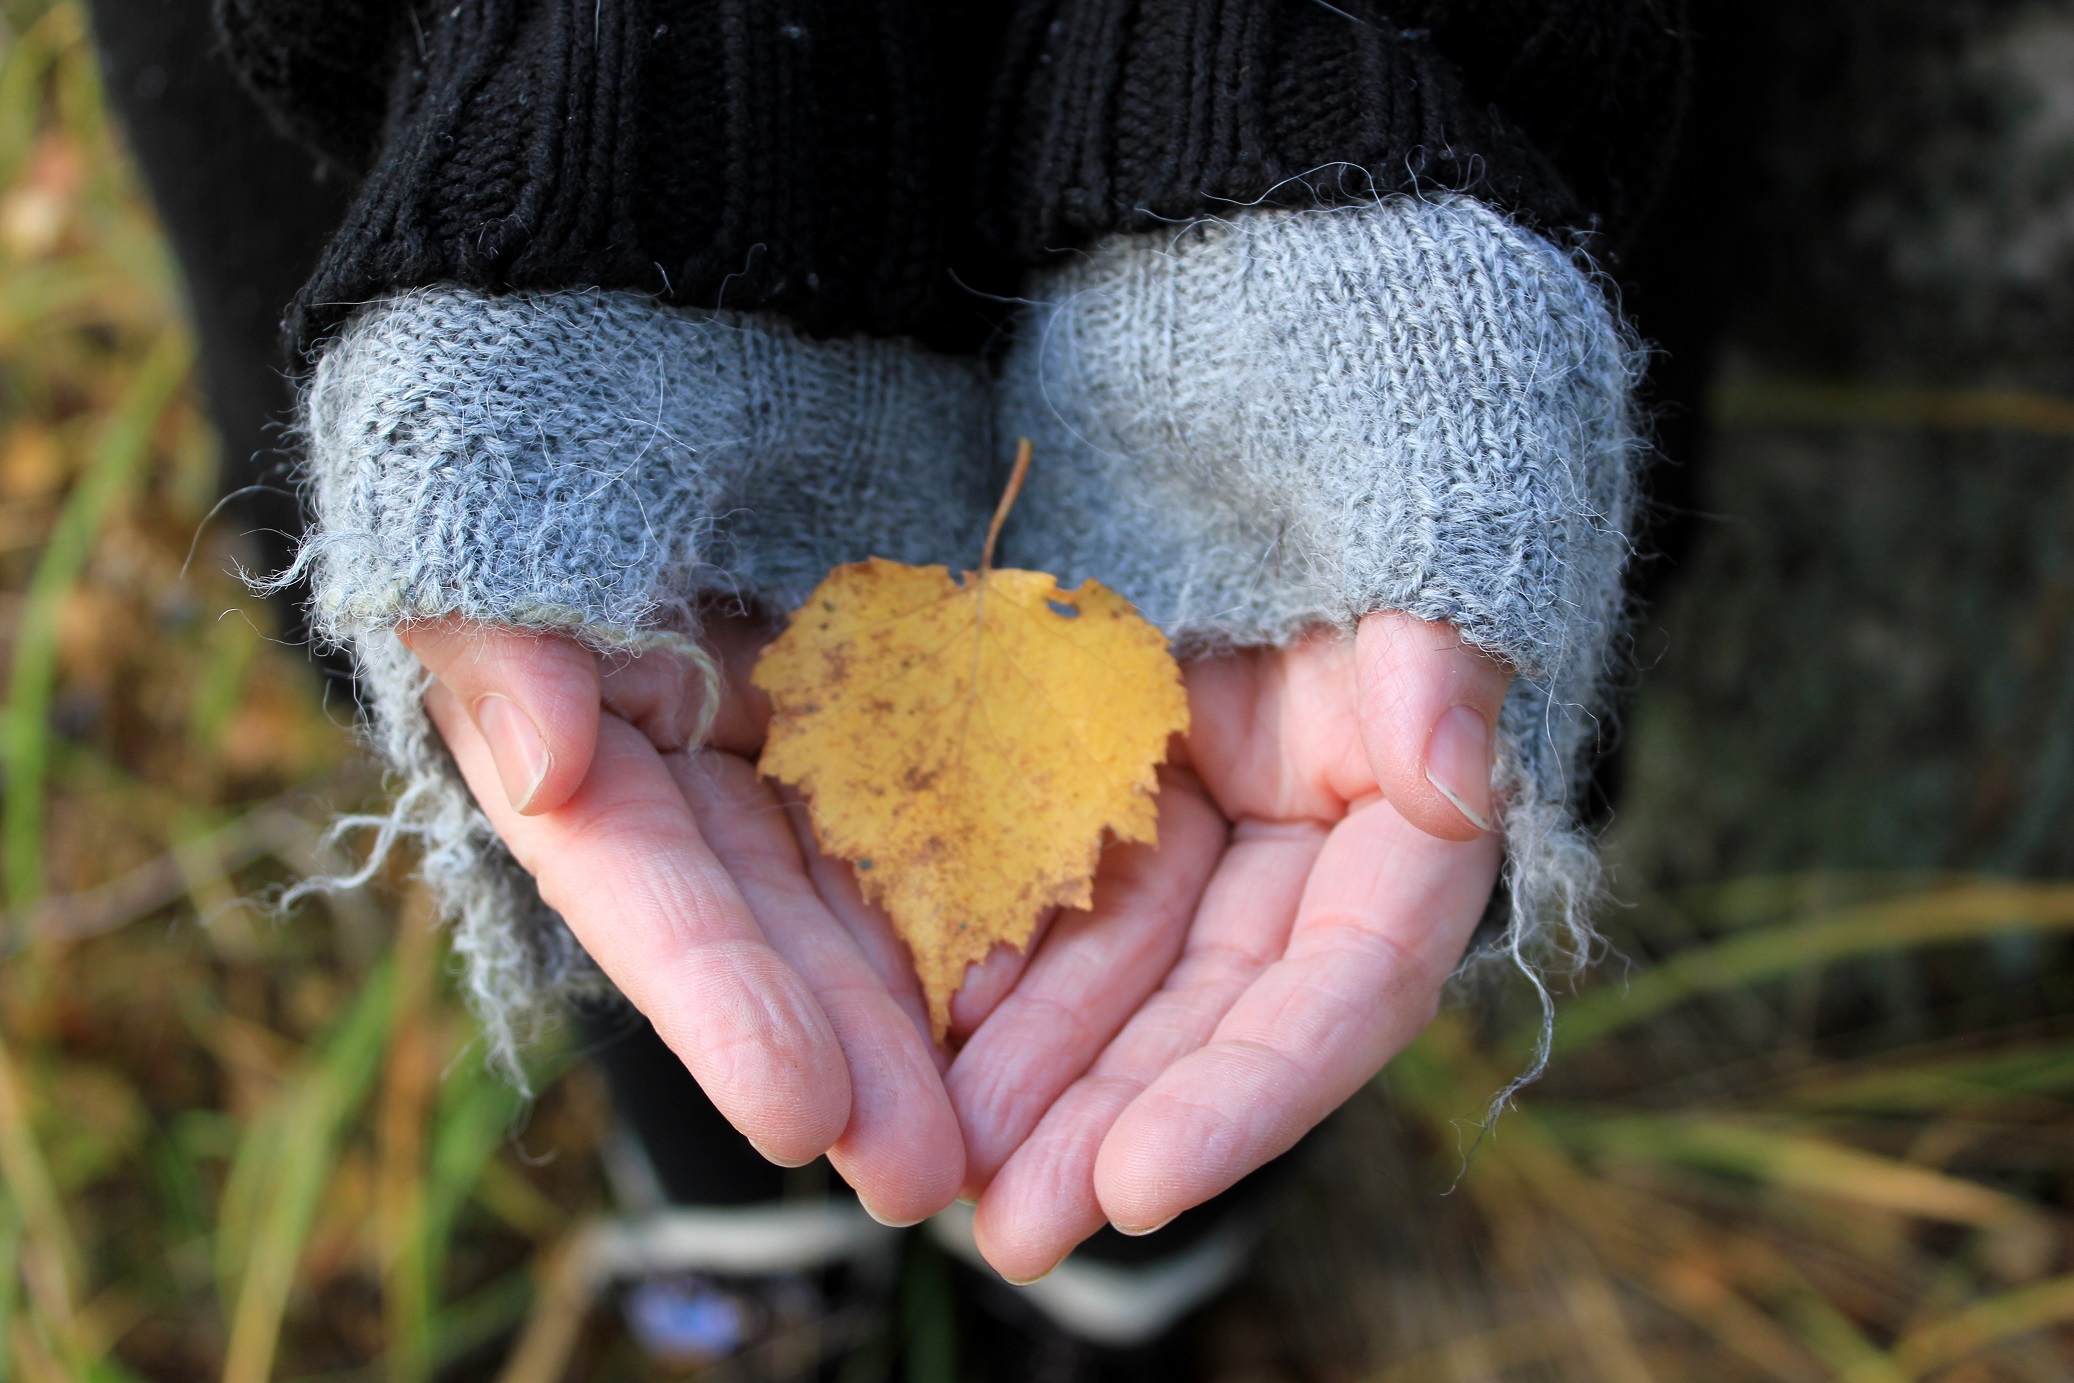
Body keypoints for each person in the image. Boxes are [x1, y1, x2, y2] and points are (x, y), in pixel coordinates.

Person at [92, 0, 1688, 1372]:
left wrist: (1341, 69)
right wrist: (604, 101)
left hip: (1438, 80)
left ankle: (1110, 1283)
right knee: (620, 747)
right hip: (445, 66)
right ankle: (754, 1236)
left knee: (1322, 830)